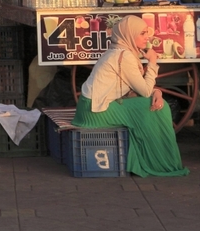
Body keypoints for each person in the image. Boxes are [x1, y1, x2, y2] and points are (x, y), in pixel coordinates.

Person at [72, 15, 188, 177]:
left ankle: (146, 158)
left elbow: (139, 90)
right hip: (95, 113)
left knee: (151, 104)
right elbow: (145, 91)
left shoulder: (118, 50)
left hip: (89, 109)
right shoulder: (125, 56)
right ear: (128, 35)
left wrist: (157, 92)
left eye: (146, 33)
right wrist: (153, 62)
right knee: (158, 109)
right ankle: (162, 163)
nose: (146, 37)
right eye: (141, 33)